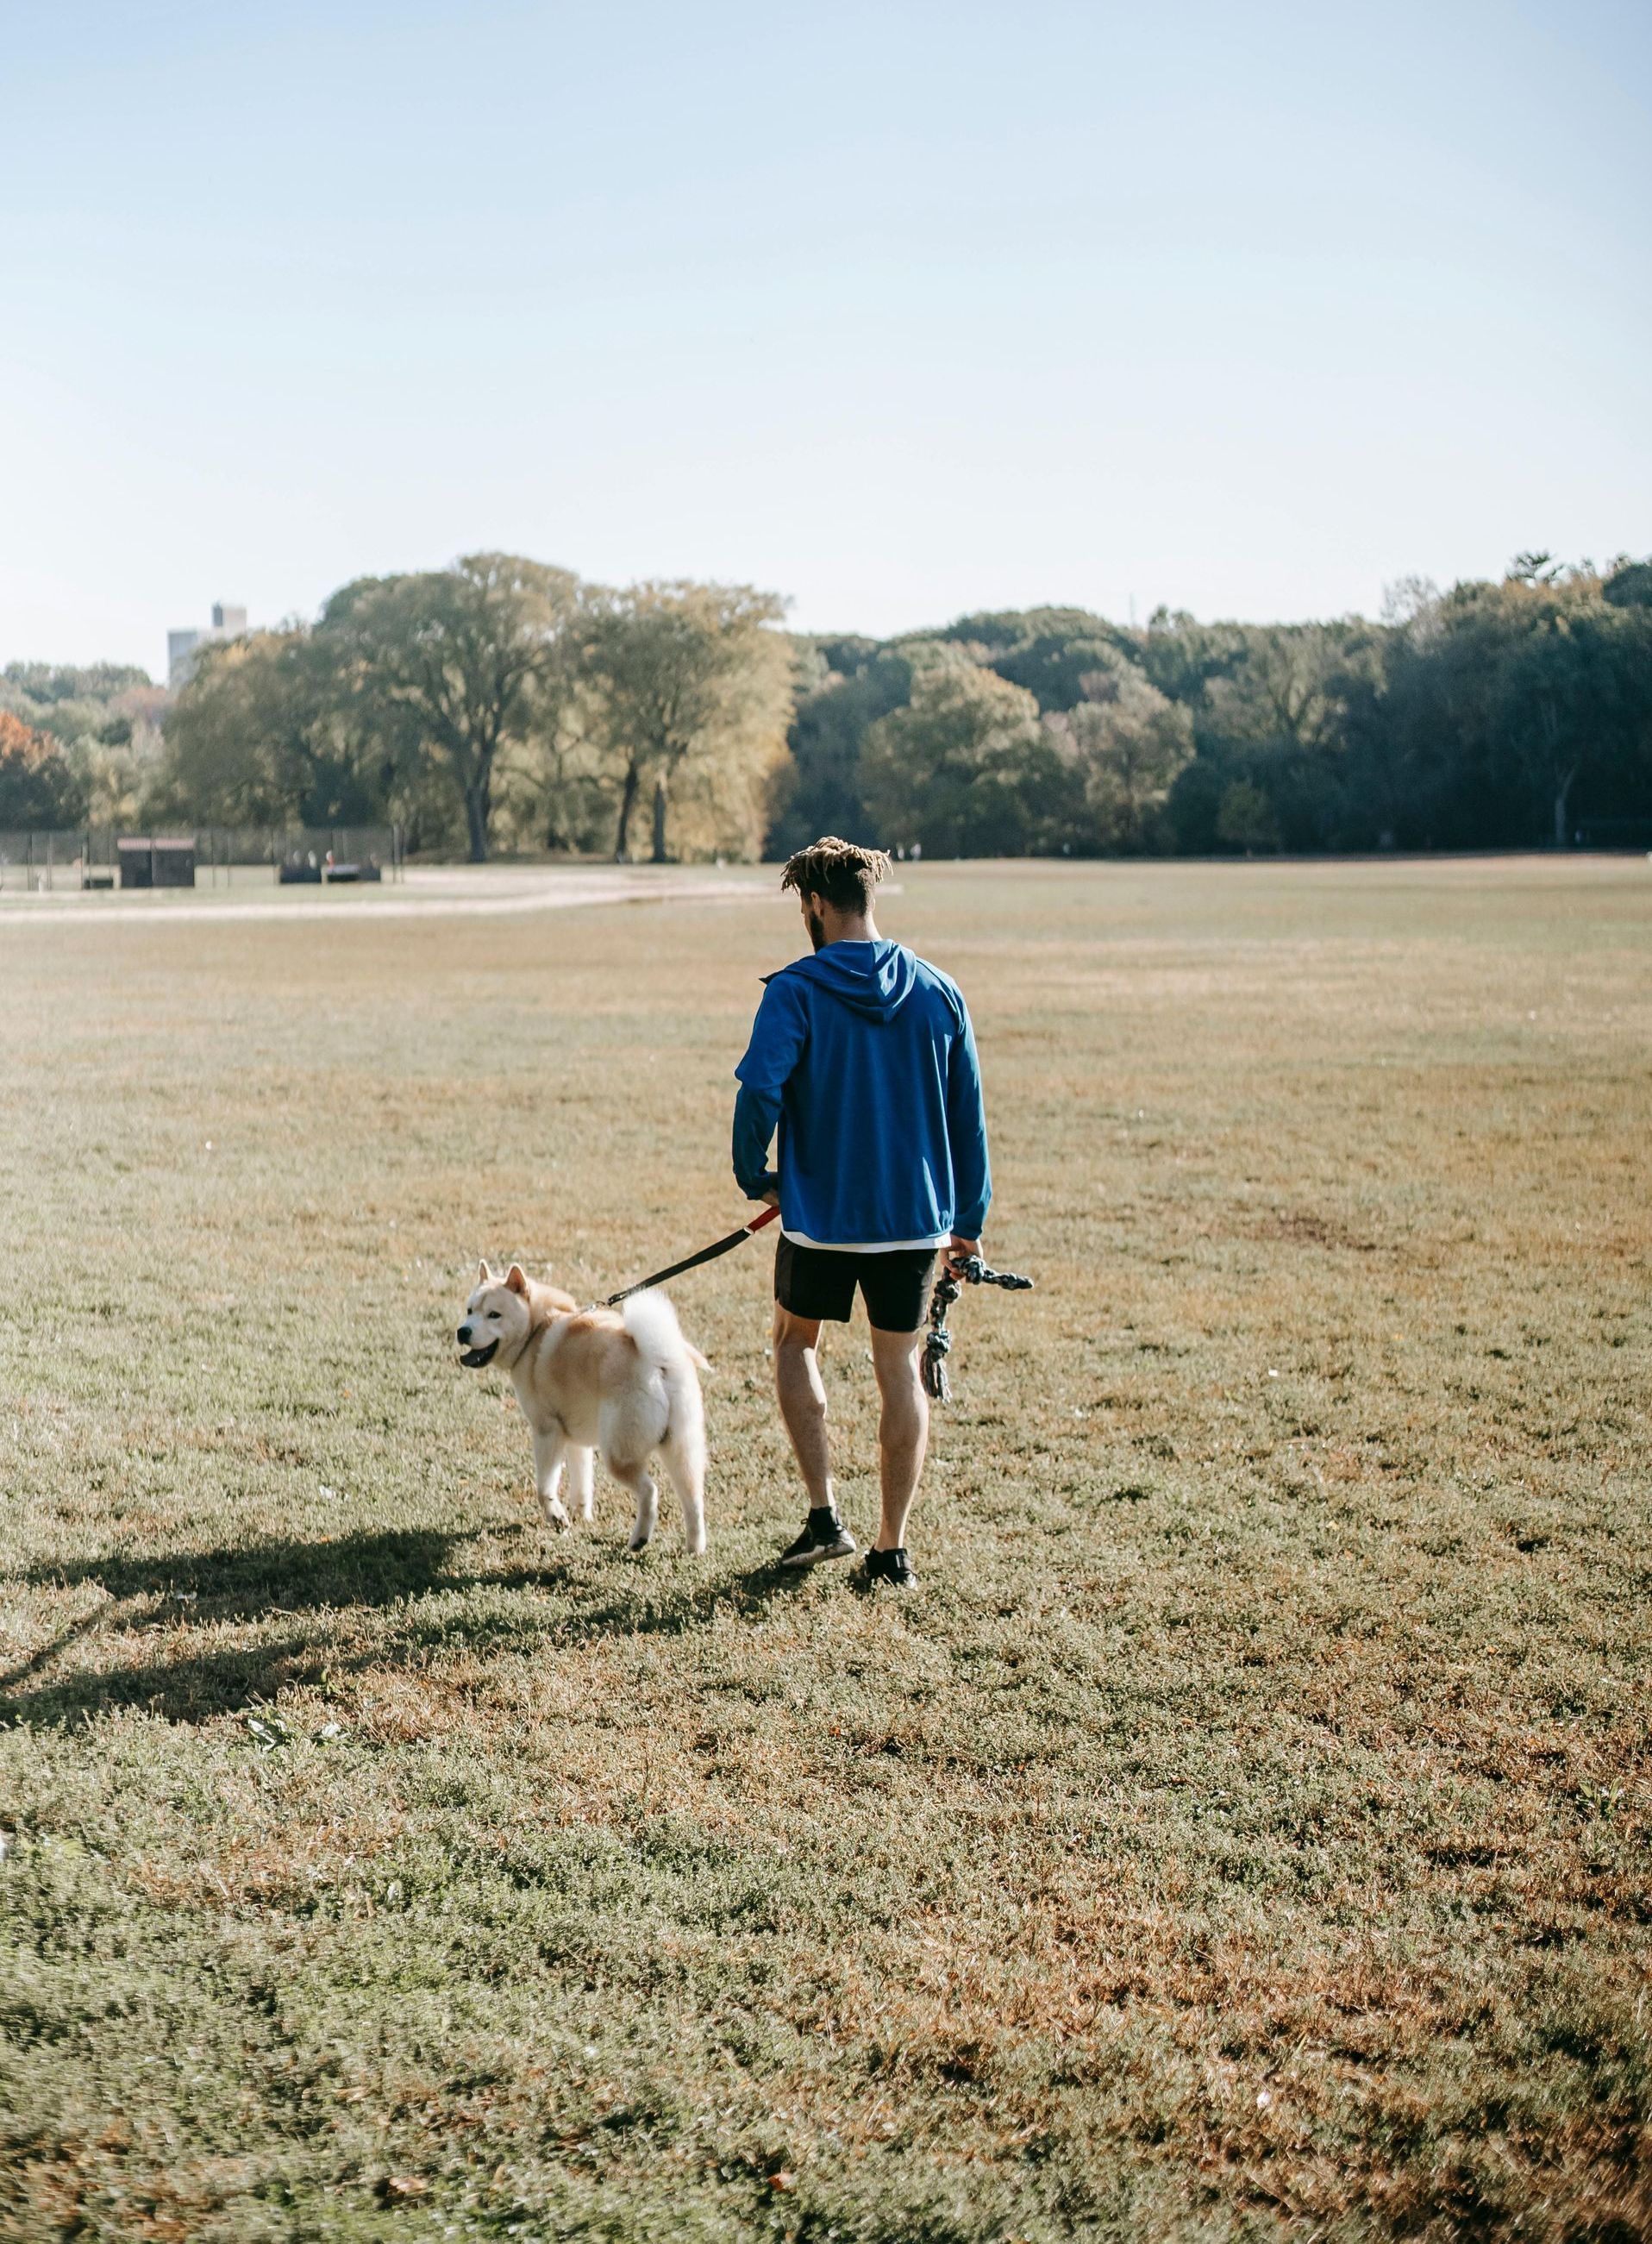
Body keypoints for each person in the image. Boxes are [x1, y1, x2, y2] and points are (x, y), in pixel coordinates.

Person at [731, 837, 992, 1589]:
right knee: (899, 1369)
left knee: (793, 1343)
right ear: (867, 898)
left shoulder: (796, 990)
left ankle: (823, 1517)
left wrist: (757, 1176)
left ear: (814, 904)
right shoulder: (941, 990)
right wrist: (967, 1224)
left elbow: (758, 1093)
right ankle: (891, 1550)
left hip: (819, 1218)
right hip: (915, 1222)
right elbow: (968, 1120)